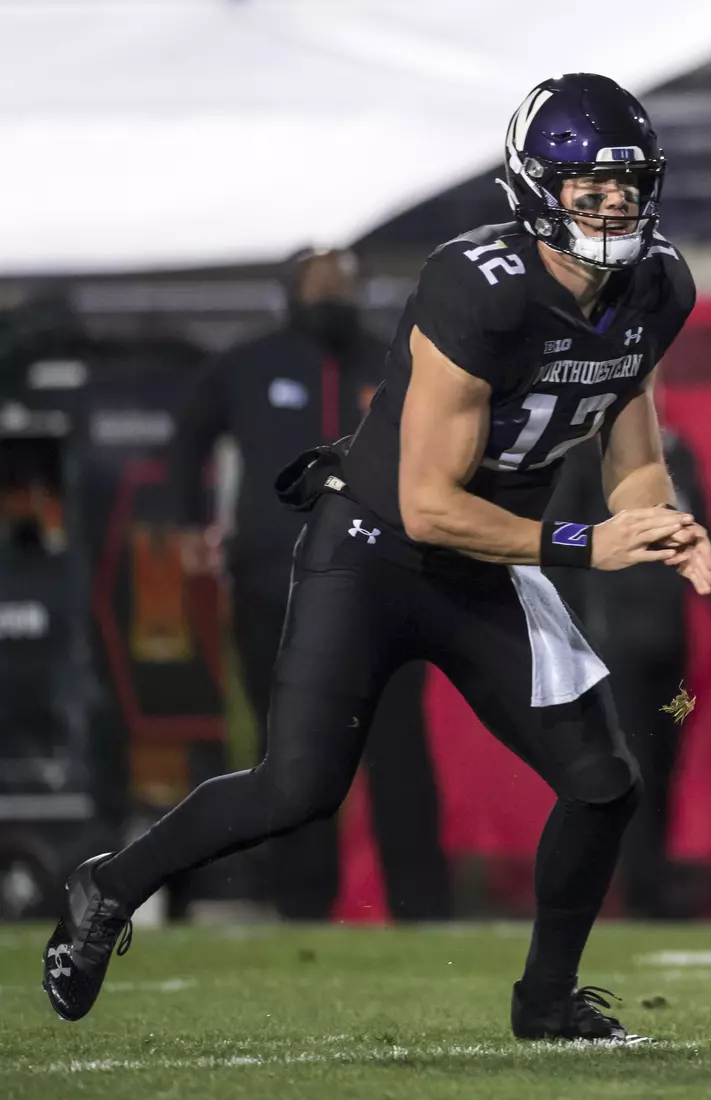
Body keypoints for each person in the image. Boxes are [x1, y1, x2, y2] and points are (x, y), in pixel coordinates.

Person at [42, 73, 711, 1043]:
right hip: (375, 550)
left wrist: (657, 521)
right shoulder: (475, 285)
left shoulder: (659, 284)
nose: (613, 203)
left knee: (603, 780)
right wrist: (581, 543)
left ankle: (546, 1002)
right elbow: (428, 503)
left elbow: (632, 448)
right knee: (299, 787)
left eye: (627, 183)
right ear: (535, 186)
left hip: (490, 562)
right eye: (588, 184)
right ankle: (109, 886)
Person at [168, 248, 452, 922]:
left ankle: (423, 907)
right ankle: (299, 902)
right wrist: (187, 521)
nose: (334, 290)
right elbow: (186, 438)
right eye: (319, 280)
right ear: (289, 291)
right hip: (275, 587)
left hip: (387, 585)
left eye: (344, 279)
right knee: (293, 752)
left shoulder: (395, 357)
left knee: (399, 751)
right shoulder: (248, 363)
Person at [558, 425, 711, 918]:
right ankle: (637, 889)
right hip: (611, 640)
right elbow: (559, 545)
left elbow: (706, 537)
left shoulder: (677, 452)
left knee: (664, 760)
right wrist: (568, 633)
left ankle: (650, 880)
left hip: (669, 640)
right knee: (630, 764)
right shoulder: (583, 455)